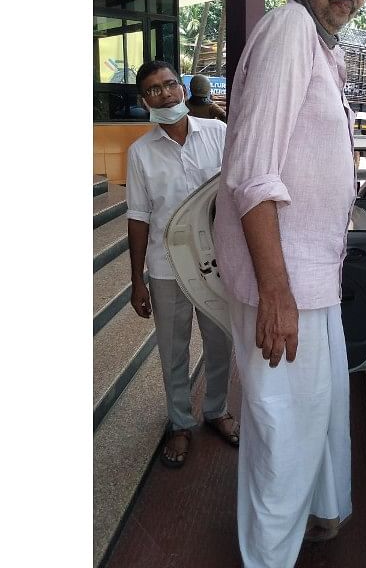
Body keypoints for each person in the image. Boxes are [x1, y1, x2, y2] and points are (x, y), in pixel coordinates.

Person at [212, 0, 366, 567]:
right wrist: (276, 290)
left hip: (312, 278)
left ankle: (321, 514)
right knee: (282, 436)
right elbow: (252, 173)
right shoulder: (289, 30)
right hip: (286, 281)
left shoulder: (321, 47)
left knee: (315, 414)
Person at [125, 60, 238, 470]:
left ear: (183, 86)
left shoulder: (220, 134)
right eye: (154, 90)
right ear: (145, 101)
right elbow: (138, 217)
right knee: (172, 348)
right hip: (166, 266)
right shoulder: (140, 153)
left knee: (220, 339)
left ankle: (217, 410)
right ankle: (179, 422)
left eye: (170, 84)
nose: (165, 93)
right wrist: (137, 281)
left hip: (215, 263)